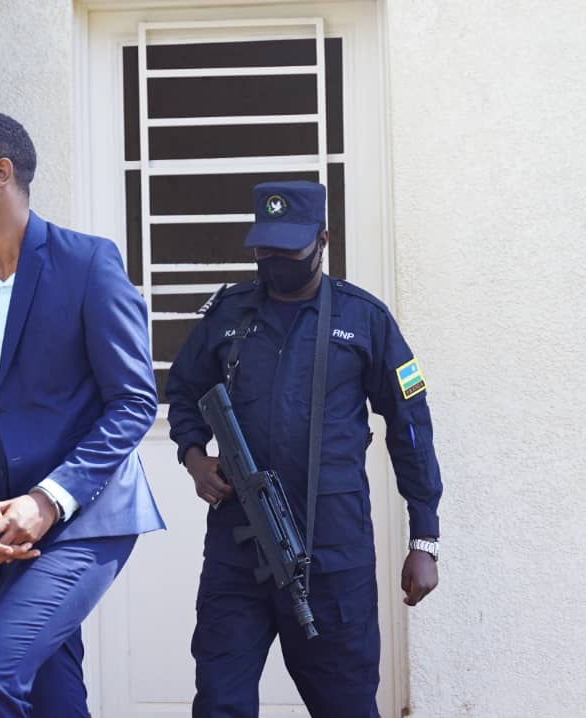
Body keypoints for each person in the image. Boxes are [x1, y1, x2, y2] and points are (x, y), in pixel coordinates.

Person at [0, 111, 164, 718]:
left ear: (0, 172)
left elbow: (133, 401)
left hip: (85, 521)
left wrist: (49, 499)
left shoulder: (87, 265)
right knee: (53, 694)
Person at [166, 180, 442, 718]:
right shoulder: (228, 314)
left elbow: (410, 426)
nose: (273, 263)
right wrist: (194, 457)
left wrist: (424, 536)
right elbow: (182, 391)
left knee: (345, 704)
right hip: (236, 550)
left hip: (332, 556)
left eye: (288, 251)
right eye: (264, 250)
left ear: (322, 241)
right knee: (220, 703)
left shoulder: (366, 319)